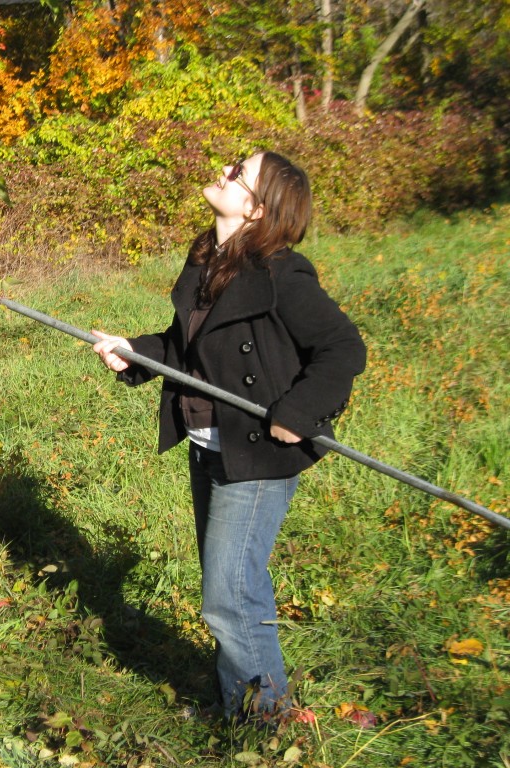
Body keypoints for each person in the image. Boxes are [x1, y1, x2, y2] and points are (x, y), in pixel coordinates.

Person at [92, 151, 366, 721]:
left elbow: (343, 348)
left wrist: (300, 411)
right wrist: (134, 352)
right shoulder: (209, 261)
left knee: (230, 593)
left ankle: (264, 723)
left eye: (239, 173)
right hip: (209, 446)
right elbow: (187, 347)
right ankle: (241, 703)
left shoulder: (282, 274)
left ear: (258, 208)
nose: (224, 170)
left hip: (259, 454)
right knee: (230, 587)